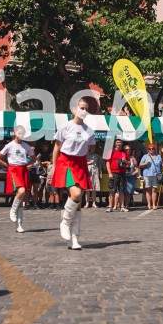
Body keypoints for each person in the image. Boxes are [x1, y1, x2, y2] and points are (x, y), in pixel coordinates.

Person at [53, 97, 96, 250]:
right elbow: (57, 147)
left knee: (78, 205)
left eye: (86, 109)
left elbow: (91, 148)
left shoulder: (89, 131)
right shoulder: (65, 127)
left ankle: (74, 238)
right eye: (82, 108)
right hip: (66, 162)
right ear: (74, 109)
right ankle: (64, 221)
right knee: (76, 194)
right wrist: (54, 166)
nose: (84, 111)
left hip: (81, 164)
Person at [0, 126, 33, 233]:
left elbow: (33, 158)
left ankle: (19, 225)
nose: (21, 135)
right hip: (13, 170)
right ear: (15, 133)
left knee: (21, 197)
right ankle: (12, 209)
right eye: (19, 133)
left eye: (23, 133)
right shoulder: (9, 145)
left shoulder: (26, 146)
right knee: (21, 191)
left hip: (23, 170)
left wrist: (28, 164)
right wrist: (7, 165)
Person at [106, 139, 128, 212]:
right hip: (113, 173)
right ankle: (110, 206)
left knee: (122, 190)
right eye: (117, 142)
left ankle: (122, 206)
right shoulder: (111, 151)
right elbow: (107, 162)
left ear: (122, 143)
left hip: (122, 173)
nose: (119, 143)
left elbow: (129, 163)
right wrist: (109, 173)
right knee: (112, 190)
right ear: (115, 143)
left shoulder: (124, 152)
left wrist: (125, 161)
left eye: (120, 142)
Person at [139, 144, 163, 210]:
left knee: (154, 190)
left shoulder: (158, 156)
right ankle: (149, 204)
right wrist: (145, 164)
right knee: (148, 190)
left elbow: (161, 166)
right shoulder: (145, 156)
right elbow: (140, 165)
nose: (151, 150)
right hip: (147, 174)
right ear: (148, 150)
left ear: (155, 149)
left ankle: (154, 204)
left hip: (155, 175)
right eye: (150, 149)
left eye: (152, 149)